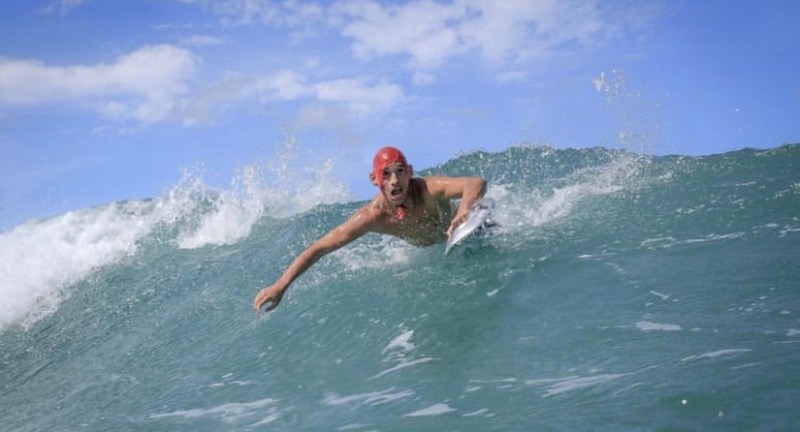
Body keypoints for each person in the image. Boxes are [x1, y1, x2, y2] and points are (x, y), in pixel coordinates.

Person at [253, 146, 487, 312]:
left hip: (465, 230)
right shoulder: (372, 217)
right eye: (386, 174)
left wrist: (464, 209)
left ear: (410, 172)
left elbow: (475, 183)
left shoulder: (427, 189)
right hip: (437, 247)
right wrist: (281, 285)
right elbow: (318, 249)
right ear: (374, 180)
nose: (395, 180)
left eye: (400, 171)